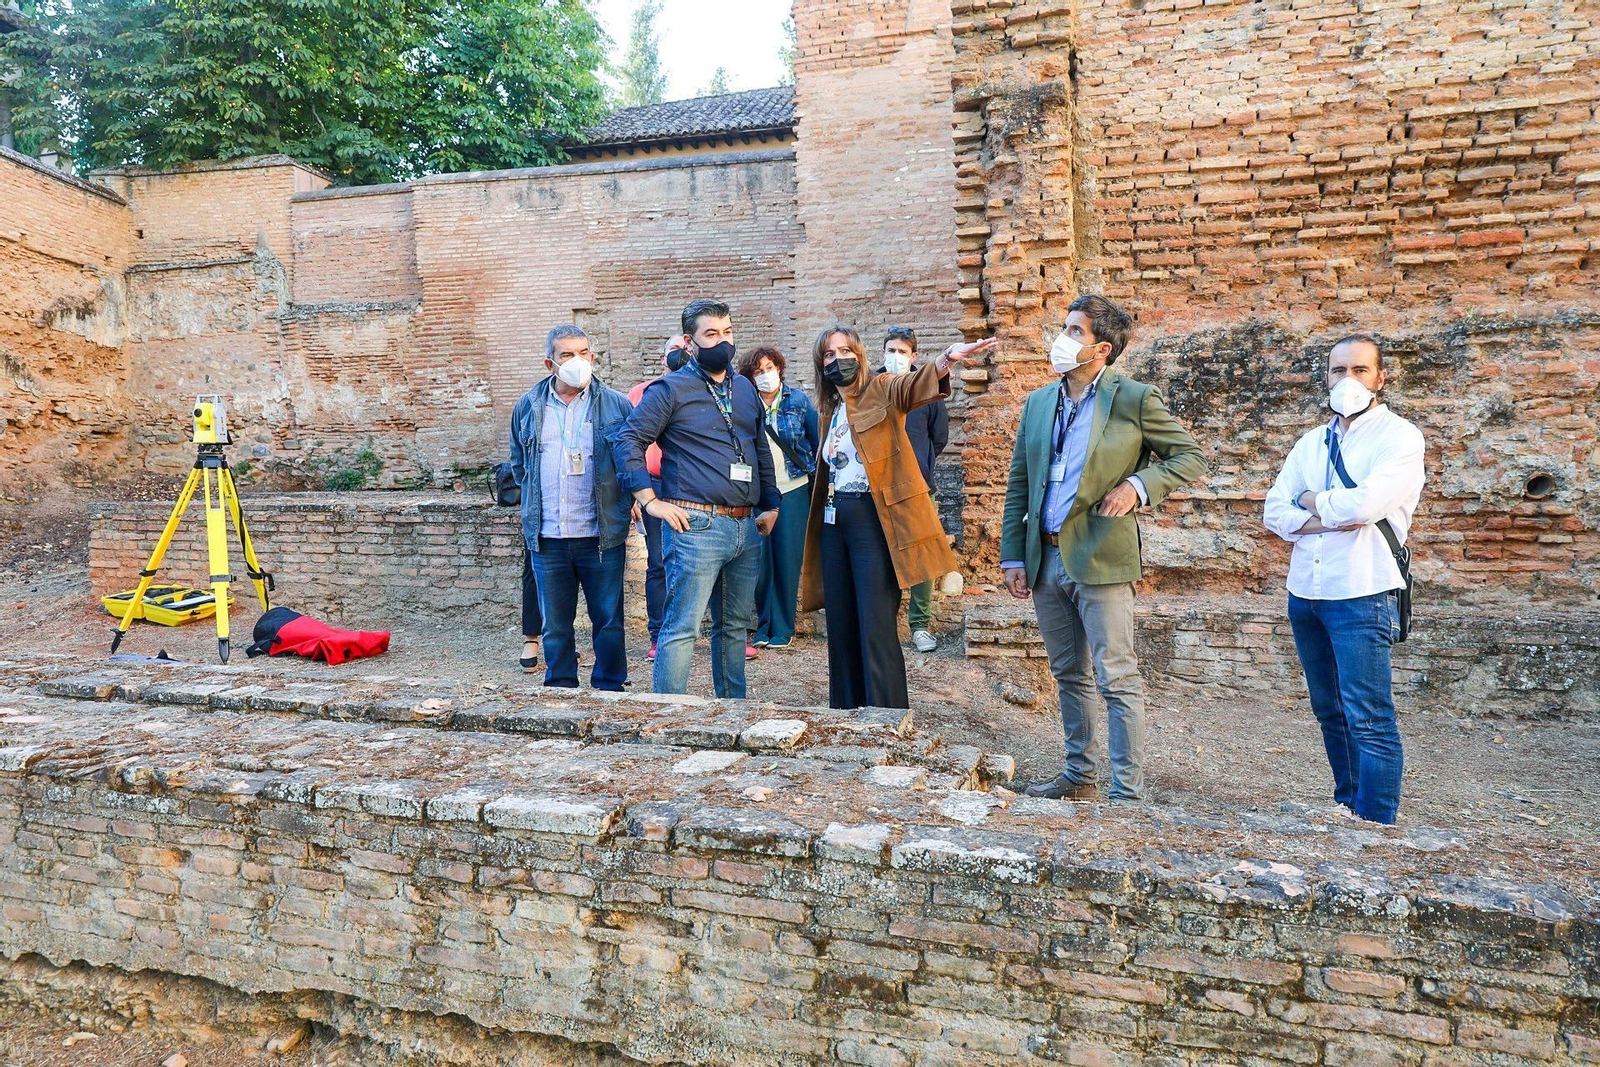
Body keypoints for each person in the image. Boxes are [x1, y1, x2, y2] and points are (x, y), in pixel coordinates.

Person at [1000, 295, 1207, 802]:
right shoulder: (1039, 403)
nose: (1062, 339)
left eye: (1075, 331)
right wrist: (1012, 554)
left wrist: (1138, 486)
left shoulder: (1133, 398)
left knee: (1116, 676)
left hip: (1103, 557)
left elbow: (1189, 456)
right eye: (1065, 328)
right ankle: (1079, 777)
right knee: (1068, 674)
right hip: (1045, 558)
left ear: (1102, 348)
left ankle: (1127, 794)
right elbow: (1019, 483)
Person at [1263, 334, 1423, 825]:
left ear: (1380, 378)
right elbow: (1273, 511)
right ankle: (1348, 807)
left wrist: (1309, 501)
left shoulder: (1398, 437)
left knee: (1369, 717)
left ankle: (1377, 827)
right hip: (1306, 593)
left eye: (1359, 370)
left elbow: (1363, 508)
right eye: (1338, 370)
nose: (1347, 380)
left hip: (1362, 591)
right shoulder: (1310, 443)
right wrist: (1327, 513)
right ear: (1326, 377)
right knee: (1329, 711)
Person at [798, 325, 995, 710]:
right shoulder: (830, 411)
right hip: (835, 521)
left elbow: (914, 386)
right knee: (840, 622)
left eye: (846, 350)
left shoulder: (883, 389)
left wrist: (946, 358)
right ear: (821, 365)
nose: (838, 359)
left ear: (859, 355)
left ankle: (886, 715)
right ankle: (845, 710)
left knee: (875, 623)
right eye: (829, 354)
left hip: (875, 520)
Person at [617, 299, 779, 698]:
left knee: (734, 628)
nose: (721, 341)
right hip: (695, 526)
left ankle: (731, 714)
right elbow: (627, 440)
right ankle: (667, 719)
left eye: (727, 332)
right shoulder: (669, 389)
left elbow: (758, 447)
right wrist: (650, 500)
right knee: (682, 627)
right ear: (690, 342)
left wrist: (771, 504)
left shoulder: (743, 388)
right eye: (711, 334)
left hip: (745, 526)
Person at [508, 325, 635, 691]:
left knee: (608, 619)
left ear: (593, 358)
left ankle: (610, 685)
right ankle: (561, 686)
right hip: (548, 535)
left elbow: (629, 461)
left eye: (584, 353)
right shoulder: (528, 406)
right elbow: (520, 465)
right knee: (555, 624)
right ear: (550, 362)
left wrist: (627, 504)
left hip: (600, 535)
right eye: (567, 355)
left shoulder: (616, 404)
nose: (577, 361)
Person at [740, 345, 818, 650]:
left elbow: (815, 439)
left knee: (787, 560)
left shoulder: (797, 401)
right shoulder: (745, 404)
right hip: (758, 494)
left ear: (780, 368)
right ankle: (763, 627)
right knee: (759, 565)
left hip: (794, 489)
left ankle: (783, 628)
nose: (765, 375)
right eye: (758, 371)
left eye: (769, 368)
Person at [881, 326, 949, 653]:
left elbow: (939, 437)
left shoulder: (927, 388)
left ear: (914, 356)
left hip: (919, 488)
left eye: (902, 352)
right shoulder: (872, 387)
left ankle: (920, 625)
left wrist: (920, 463)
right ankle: (881, 626)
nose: (896, 357)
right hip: (877, 490)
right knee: (879, 559)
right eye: (891, 351)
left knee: (922, 559)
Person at [629, 337, 691, 660]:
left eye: (686, 348)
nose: (681, 353)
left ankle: (707, 633)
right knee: (657, 561)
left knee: (698, 561)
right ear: (663, 355)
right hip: (653, 486)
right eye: (675, 348)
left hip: (690, 486)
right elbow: (628, 444)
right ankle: (658, 634)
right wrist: (635, 495)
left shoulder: (702, 388)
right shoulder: (640, 393)